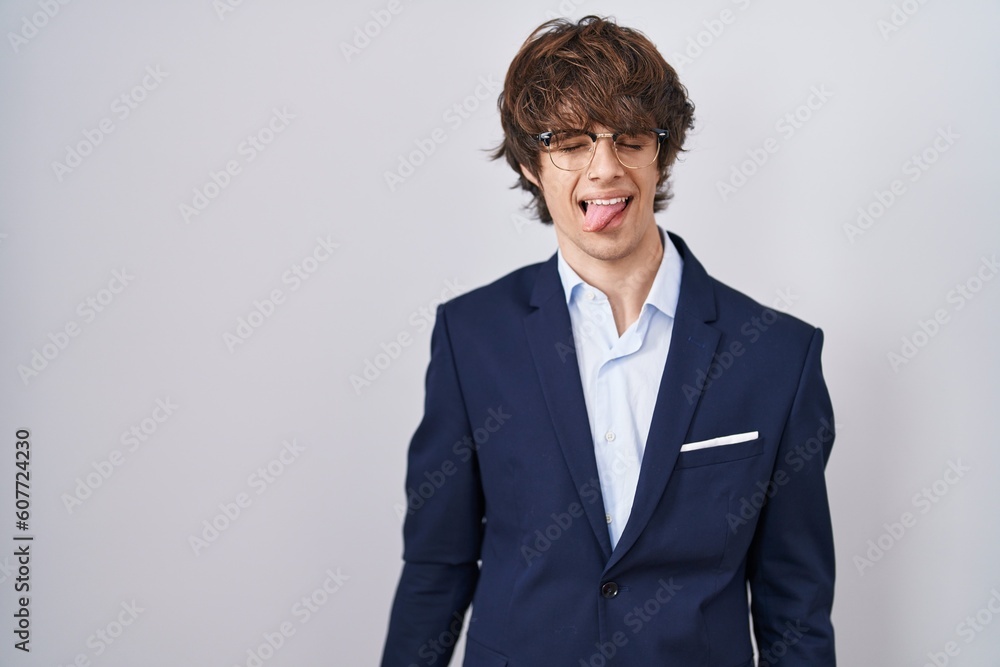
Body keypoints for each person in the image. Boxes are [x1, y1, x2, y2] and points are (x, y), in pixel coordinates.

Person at [381, 15, 836, 667]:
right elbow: (436, 567)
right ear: (530, 164)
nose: (605, 170)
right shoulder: (471, 337)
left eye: (629, 139)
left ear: (661, 153)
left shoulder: (776, 355)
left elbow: (796, 610)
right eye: (569, 143)